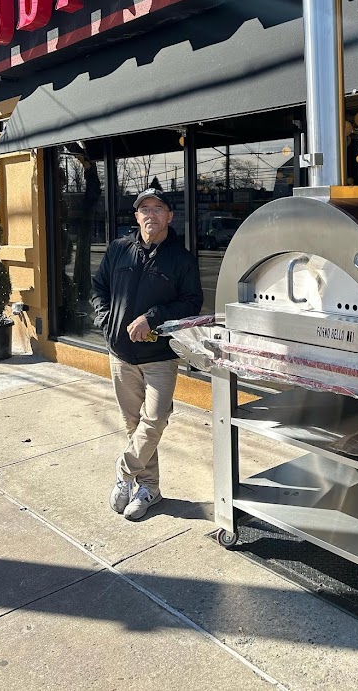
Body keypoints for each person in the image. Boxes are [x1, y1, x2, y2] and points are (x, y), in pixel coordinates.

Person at [92, 187, 203, 520]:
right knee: (133, 425)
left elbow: (191, 303)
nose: (150, 214)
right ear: (137, 216)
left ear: (169, 216)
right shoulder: (118, 249)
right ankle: (149, 489)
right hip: (120, 354)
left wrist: (151, 317)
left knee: (154, 420)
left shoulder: (181, 259)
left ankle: (124, 471)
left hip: (160, 357)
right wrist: (107, 321)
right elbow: (99, 288)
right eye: (145, 209)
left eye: (157, 208)